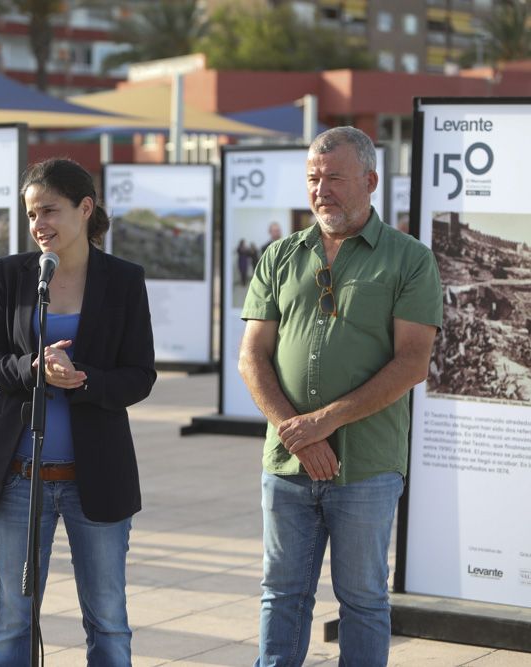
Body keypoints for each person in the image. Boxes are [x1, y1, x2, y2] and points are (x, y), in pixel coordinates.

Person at [238, 126, 442, 666]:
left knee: (363, 602)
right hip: (286, 466)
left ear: (370, 181)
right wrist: (297, 433)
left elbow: (412, 362)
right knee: (281, 597)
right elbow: (252, 357)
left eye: (334, 177)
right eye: (312, 178)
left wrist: (322, 422)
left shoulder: (410, 260)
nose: (320, 189)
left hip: (367, 468)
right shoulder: (280, 256)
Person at [0, 157, 156, 666]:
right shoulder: (13, 274)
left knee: (107, 621)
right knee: (13, 619)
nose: (39, 225)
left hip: (94, 479)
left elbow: (141, 374)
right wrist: (33, 368)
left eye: (50, 211)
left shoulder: (123, 280)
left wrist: (85, 379)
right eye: (32, 215)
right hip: (19, 480)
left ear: (85, 208)